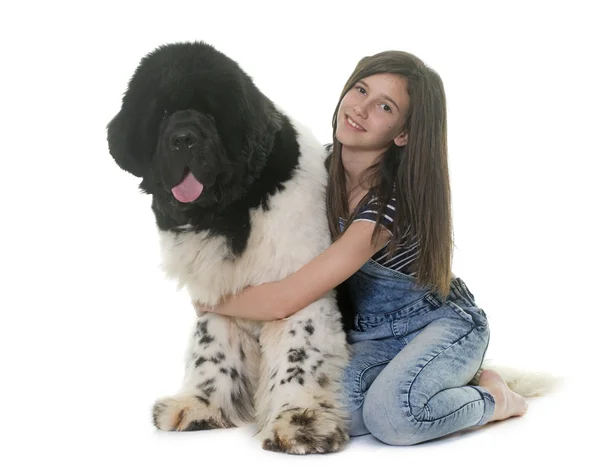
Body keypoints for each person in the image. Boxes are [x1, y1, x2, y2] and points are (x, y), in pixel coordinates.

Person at [196, 50, 528, 445]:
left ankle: (494, 396)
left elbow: (286, 299)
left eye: (384, 106)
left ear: (403, 134)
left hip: (439, 323)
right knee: (336, 415)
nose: (361, 108)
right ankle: (427, 378)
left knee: (394, 419)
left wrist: (214, 301)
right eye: (360, 89)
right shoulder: (316, 170)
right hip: (370, 335)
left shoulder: (388, 204)